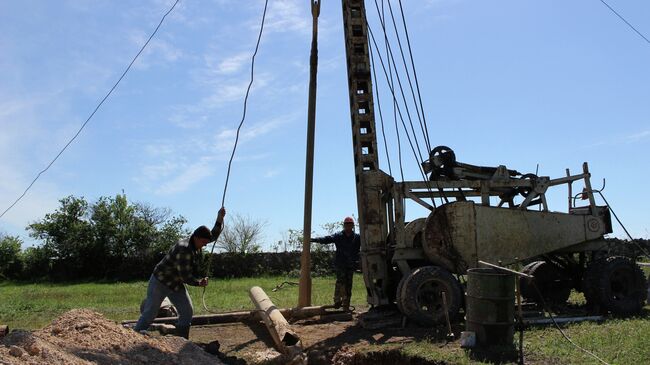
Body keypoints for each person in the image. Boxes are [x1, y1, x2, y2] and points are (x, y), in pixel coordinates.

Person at [134, 207, 226, 339]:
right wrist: (199, 283)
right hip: (160, 282)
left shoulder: (196, 242)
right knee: (150, 313)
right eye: (204, 242)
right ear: (196, 237)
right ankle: (134, 337)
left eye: (206, 243)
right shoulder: (184, 249)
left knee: (187, 312)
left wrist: (219, 218)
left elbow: (213, 235)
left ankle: (182, 341)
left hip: (175, 284)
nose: (205, 245)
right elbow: (185, 276)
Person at [311, 216, 361, 310]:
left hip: (350, 265)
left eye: (350, 225)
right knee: (340, 282)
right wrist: (315, 240)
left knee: (348, 284)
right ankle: (337, 300)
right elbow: (327, 239)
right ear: (344, 226)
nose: (348, 227)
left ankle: (346, 305)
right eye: (346, 224)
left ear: (352, 226)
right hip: (341, 264)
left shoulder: (357, 238)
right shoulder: (339, 236)